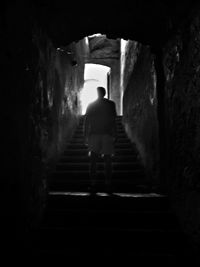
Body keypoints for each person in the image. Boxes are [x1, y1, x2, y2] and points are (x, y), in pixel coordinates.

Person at [84, 86, 117, 193]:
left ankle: (93, 184)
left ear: (97, 93)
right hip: (107, 134)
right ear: (105, 93)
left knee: (93, 161)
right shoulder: (110, 104)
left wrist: (85, 135)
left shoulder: (91, 105)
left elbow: (86, 121)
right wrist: (115, 134)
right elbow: (113, 120)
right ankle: (108, 184)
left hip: (94, 134)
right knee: (108, 161)